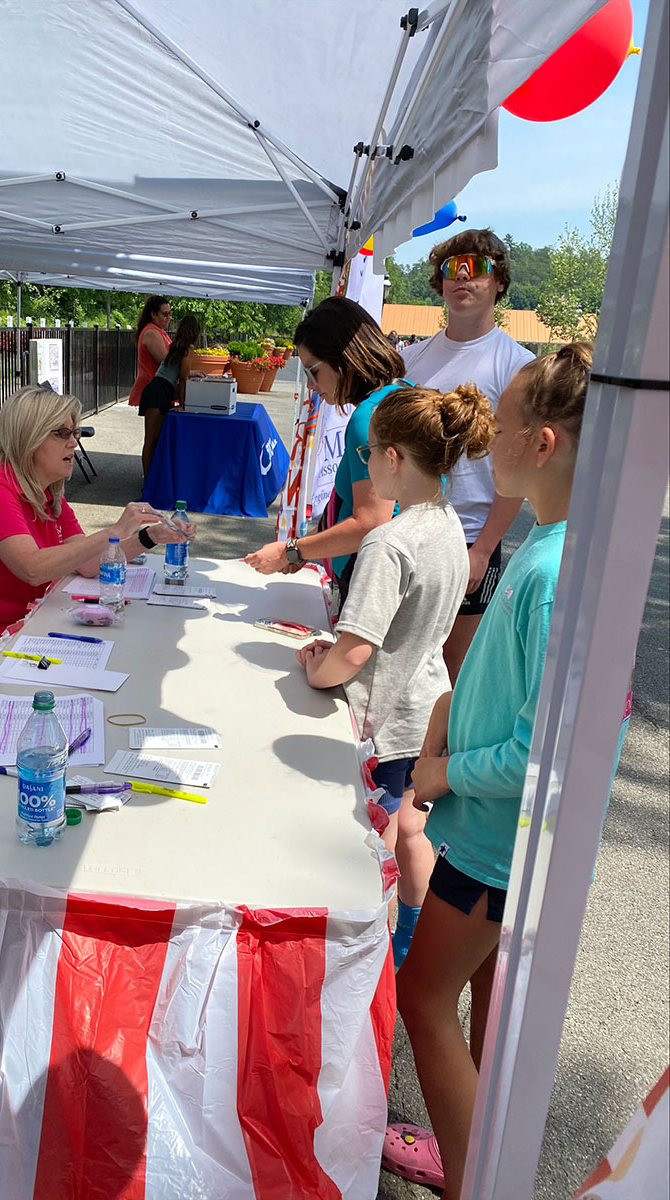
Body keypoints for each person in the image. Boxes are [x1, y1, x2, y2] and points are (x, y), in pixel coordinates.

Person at [383, 344, 615, 1199]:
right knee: (486, 1006)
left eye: (506, 428)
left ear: (543, 444)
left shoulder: (556, 571)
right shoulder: (558, 545)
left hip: (495, 843)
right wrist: (455, 708)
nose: (490, 443)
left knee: (422, 999)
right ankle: (473, 1149)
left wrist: (442, 772)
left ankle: (480, 1178)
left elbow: (543, 752)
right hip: (504, 842)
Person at [293, 382, 494, 967]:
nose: (364, 464)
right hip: (424, 703)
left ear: (394, 458)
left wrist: (313, 669)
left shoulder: (389, 542)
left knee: (370, 839)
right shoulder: (449, 524)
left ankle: (368, 950)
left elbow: (352, 655)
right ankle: (408, 937)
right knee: (409, 832)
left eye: (367, 453)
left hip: (383, 721)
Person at [0, 385, 194, 636]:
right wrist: (115, 530)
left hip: (30, 625)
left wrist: (151, 536)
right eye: (62, 433)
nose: (74, 442)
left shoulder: (47, 493)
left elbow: (87, 563)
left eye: (74, 433)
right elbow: (32, 569)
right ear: (28, 437)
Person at [400, 229, 535, 682]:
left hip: (469, 538)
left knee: (451, 671)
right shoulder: (412, 359)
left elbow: (518, 471)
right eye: (451, 269)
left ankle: (437, 756)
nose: (462, 278)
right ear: (439, 282)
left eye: (475, 267)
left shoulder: (518, 366)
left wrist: (482, 550)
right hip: (404, 530)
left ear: (498, 281)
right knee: (395, 656)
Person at [244, 297, 406, 605]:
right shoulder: (399, 393)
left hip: (371, 579)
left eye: (313, 372)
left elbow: (371, 522)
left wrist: (291, 549)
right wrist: (310, 545)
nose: (311, 385)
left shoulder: (367, 418)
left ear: (344, 359)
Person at [139, 314, 201, 478]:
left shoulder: (176, 345)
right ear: (195, 331)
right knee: (151, 440)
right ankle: (148, 481)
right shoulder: (188, 348)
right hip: (158, 391)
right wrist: (182, 403)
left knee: (154, 440)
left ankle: (151, 478)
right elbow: (183, 377)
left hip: (158, 389)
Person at [128, 295, 172, 411]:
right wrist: (188, 372)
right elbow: (166, 362)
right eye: (164, 314)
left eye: (169, 314)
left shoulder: (159, 331)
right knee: (155, 428)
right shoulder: (151, 332)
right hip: (153, 388)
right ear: (153, 314)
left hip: (159, 388)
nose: (169, 317)